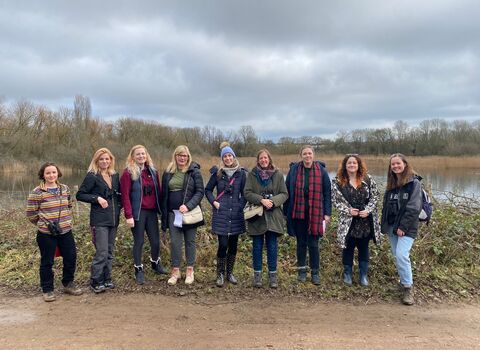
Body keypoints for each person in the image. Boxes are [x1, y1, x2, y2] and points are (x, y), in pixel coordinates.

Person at [26, 162, 83, 302]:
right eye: (48, 173)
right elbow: (31, 213)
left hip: (65, 230)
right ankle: (47, 289)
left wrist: (66, 221)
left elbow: (69, 206)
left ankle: (68, 283)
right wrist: (43, 224)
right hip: (46, 233)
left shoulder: (64, 189)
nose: (51, 175)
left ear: (58, 173)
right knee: (47, 261)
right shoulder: (37, 192)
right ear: (43, 175)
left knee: (71, 257)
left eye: (54, 172)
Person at [120, 145, 168, 285]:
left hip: (152, 211)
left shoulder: (153, 171)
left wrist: (162, 210)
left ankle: (155, 264)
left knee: (155, 241)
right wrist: (128, 215)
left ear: (146, 155)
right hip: (138, 212)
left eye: (143, 154)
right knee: (139, 241)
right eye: (138, 154)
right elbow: (125, 196)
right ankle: (138, 269)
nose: (141, 156)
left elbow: (158, 192)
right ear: (133, 157)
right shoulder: (128, 173)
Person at [284, 145, 331, 285]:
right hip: (298, 213)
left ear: (313, 155)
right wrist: (286, 212)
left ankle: (315, 273)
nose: (307, 156)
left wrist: (327, 213)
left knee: (314, 244)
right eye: (305, 154)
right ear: (301, 155)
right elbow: (287, 192)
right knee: (301, 243)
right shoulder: (293, 170)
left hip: (315, 214)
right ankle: (302, 271)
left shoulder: (321, 171)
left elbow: (327, 193)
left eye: (310, 153)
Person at [331, 154, 382, 287]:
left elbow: (375, 197)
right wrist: (348, 210)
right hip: (348, 221)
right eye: (349, 163)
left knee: (364, 247)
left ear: (358, 165)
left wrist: (368, 210)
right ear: (345, 165)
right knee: (347, 247)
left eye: (354, 163)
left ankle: (363, 275)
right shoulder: (338, 181)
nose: (352, 165)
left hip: (365, 220)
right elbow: (335, 201)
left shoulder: (367, 179)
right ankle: (347, 274)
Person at [76, 148, 122, 293]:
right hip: (99, 220)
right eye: (101, 159)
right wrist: (97, 198)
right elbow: (80, 195)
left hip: (113, 220)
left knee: (109, 251)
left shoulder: (114, 175)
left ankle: (107, 279)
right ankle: (95, 280)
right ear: (96, 161)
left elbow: (118, 196)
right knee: (101, 252)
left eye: (107, 159)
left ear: (111, 160)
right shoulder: (92, 176)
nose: (104, 161)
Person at [381, 153, 422, 305]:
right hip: (392, 226)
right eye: (393, 164)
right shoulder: (392, 183)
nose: (396, 166)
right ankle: (403, 282)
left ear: (405, 164)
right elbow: (386, 206)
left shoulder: (414, 183)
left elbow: (414, 208)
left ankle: (408, 288)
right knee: (396, 255)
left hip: (406, 227)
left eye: (398, 163)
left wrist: (403, 227)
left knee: (401, 255)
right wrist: (384, 226)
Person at [161, 145, 204, 286]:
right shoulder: (168, 172)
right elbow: (164, 194)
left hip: (189, 213)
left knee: (190, 242)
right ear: (175, 156)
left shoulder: (194, 172)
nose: (182, 158)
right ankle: (176, 271)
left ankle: (190, 270)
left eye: (185, 155)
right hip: (174, 214)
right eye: (180, 155)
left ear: (188, 157)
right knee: (175, 242)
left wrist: (188, 205)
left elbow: (200, 192)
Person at [244, 149, 288, 288]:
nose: (263, 160)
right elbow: (247, 192)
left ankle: (272, 277)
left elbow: (284, 194)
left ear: (269, 159)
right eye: (261, 158)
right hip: (257, 216)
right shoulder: (252, 175)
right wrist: (261, 200)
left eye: (266, 158)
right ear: (258, 160)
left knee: (272, 246)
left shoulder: (278, 175)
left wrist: (273, 201)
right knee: (257, 246)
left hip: (273, 216)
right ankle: (257, 276)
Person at [205, 142, 247, 287]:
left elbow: (245, 193)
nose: (228, 158)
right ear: (222, 159)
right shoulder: (217, 173)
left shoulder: (241, 174)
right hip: (221, 212)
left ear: (234, 157)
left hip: (236, 214)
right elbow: (208, 190)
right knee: (222, 244)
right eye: (225, 156)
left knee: (233, 245)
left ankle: (230, 273)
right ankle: (220, 274)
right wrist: (214, 202)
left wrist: (240, 206)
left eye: (230, 155)